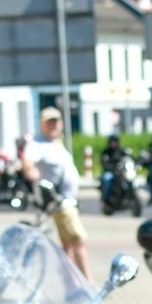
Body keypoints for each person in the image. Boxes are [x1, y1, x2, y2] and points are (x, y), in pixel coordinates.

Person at [17, 106, 91, 278]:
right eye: (49, 123)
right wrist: (30, 170)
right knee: (78, 239)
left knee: (68, 245)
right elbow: (27, 161)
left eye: (56, 122)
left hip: (67, 200)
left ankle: (73, 284)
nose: (54, 126)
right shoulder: (38, 143)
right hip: (59, 202)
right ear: (42, 124)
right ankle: (88, 282)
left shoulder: (55, 142)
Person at [98, 133, 129, 207]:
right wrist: (111, 168)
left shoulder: (122, 150)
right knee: (106, 179)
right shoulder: (106, 152)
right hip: (110, 172)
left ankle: (127, 197)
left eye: (115, 141)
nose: (113, 143)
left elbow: (129, 157)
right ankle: (104, 199)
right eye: (112, 142)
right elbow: (104, 163)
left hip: (121, 172)